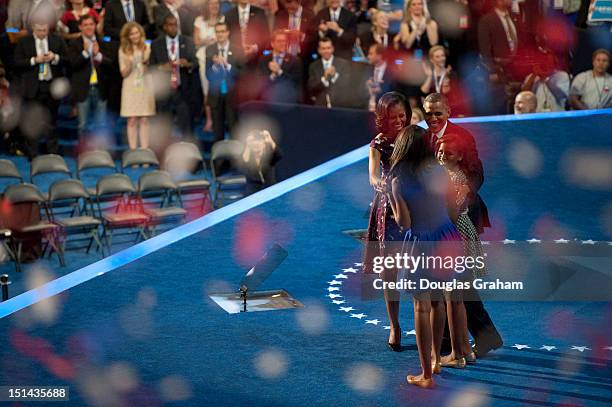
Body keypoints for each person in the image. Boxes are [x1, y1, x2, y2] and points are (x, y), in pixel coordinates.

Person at [423, 92, 502, 358]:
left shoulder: (463, 137)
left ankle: (465, 340)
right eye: (428, 113)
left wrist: (461, 197)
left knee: (456, 283)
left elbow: (477, 172)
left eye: (437, 113)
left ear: (448, 112)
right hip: (438, 221)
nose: (432, 118)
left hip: (461, 219)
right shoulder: (423, 139)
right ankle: (453, 342)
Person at [387, 124, 461, 388]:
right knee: (439, 301)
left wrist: (395, 206)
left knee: (421, 306)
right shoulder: (439, 170)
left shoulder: (397, 181)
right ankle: (436, 361)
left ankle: (425, 376)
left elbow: (404, 222)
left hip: (421, 243)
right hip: (447, 238)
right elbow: (452, 208)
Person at [363, 91, 411, 352]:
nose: (398, 120)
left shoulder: (416, 137)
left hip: (417, 206)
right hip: (389, 209)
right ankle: (395, 325)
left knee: (424, 266)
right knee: (390, 272)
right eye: (392, 117)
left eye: (402, 115)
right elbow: (372, 174)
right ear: (383, 118)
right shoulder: (378, 143)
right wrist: (380, 183)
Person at [436, 132, 487, 369]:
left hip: (455, 237)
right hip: (463, 235)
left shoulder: (448, 179)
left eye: (448, 152)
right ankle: (466, 349)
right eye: (440, 150)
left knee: (453, 296)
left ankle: (456, 353)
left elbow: (451, 213)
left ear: (459, 156)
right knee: (461, 295)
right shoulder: (457, 177)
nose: (441, 155)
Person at [13, 20, 67, 158]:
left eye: (45, 30)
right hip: (32, 88)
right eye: (39, 30)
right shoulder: (24, 42)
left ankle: (53, 154)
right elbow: (16, 63)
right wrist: (34, 60)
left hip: (52, 87)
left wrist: (55, 58)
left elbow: (68, 60)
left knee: (52, 121)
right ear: (33, 28)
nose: (42, 33)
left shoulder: (57, 40)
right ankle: (33, 154)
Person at [150, 15, 199, 139]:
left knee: (186, 127)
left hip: (183, 90)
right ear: (165, 27)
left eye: (175, 25)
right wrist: (163, 67)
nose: (174, 28)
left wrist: (187, 64)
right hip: (164, 91)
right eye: (170, 25)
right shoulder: (156, 44)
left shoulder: (187, 41)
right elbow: (151, 67)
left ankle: (188, 150)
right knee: (163, 127)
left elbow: (196, 63)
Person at [68, 14, 112, 140]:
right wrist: (85, 53)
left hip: (100, 87)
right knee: (83, 125)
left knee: (101, 125)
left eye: (91, 24)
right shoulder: (74, 44)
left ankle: (101, 154)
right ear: (80, 27)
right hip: (83, 88)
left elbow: (110, 64)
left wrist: (97, 55)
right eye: (85, 25)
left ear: (95, 26)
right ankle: (83, 154)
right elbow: (72, 65)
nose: (89, 27)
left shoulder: (102, 42)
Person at [118, 21, 155, 150]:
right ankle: (133, 152)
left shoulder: (147, 47)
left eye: (136, 32)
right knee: (132, 119)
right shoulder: (123, 50)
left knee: (144, 119)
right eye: (131, 34)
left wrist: (145, 58)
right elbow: (123, 73)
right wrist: (129, 63)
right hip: (130, 85)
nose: (134, 36)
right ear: (127, 36)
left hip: (145, 84)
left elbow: (149, 68)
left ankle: (145, 151)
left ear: (141, 33)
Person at [206, 21, 242, 142]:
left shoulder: (237, 50)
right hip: (216, 96)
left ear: (228, 33)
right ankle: (219, 160)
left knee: (234, 131)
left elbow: (242, 73)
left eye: (222, 31)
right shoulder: (210, 50)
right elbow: (207, 74)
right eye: (217, 32)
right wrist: (215, 66)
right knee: (217, 133)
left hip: (232, 95)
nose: (220, 34)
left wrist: (227, 66)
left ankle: (235, 159)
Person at [193, 0, 224, 133]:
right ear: (207, 6)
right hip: (203, 58)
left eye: (216, 4)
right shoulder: (199, 20)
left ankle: (221, 120)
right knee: (207, 92)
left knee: (220, 89)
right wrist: (208, 41)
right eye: (211, 4)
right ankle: (209, 120)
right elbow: (196, 41)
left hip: (220, 58)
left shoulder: (223, 18)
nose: (214, 6)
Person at [257, 29, 302, 103]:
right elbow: (259, 81)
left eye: (284, 41)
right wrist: (272, 75)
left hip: (287, 101)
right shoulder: (264, 59)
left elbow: (295, 82)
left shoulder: (295, 60)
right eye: (279, 41)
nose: (283, 43)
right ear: (272, 44)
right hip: (267, 100)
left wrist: (279, 71)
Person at [307, 36, 351, 108]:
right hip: (320, 107)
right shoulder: (313, 66)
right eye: (323, 49)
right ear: (319, 50)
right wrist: (324, 78)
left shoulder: (343, 64)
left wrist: (334, 75)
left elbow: (346, 85)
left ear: (333, 49)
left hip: (339, 106)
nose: (326, 51)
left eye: (328, 48)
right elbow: (311, 87)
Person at [239, 129, 282, 194]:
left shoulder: (269, 156)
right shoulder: (248, 156)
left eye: (259, 142)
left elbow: (279, 155)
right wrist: (247, 145)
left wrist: (270, 140)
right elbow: (243, 163)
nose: (257, 145)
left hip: (270, 189)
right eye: (254, 143)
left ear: (264, 144)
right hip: (253, 192)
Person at [365, 43, 393, 112]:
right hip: (366, 110)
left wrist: (380, 89)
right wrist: (366, 87)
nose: (368, 56)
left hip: (385, 112)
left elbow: (393, 93)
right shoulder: (366, 69)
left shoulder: (391, 72)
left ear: (379, 56)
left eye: (371, 54)